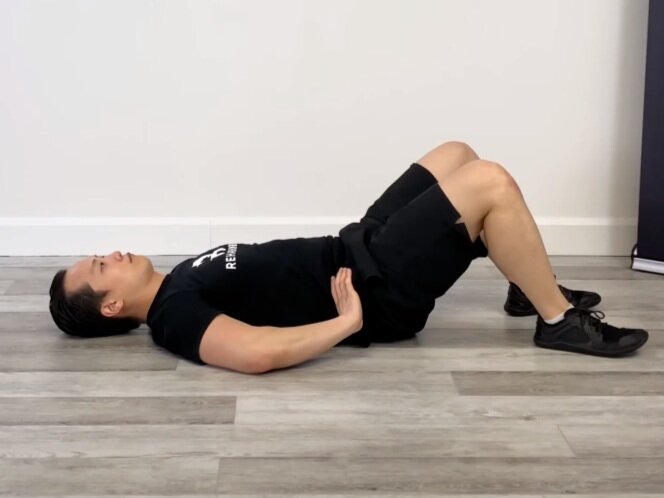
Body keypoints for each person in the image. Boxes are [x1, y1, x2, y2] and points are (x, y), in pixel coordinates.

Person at [48, 141, 649, 374]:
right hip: (374, 288)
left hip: (354, 245)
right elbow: (255, 353)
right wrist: (347, 323)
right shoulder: (173, 315)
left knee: (456, 154)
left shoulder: (178, 277)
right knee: (488, 181)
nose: (113, 254)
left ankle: (526, 282)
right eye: (102, 267)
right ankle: (557, 321)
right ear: (113, 307)